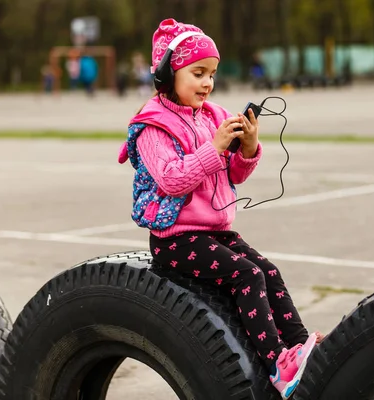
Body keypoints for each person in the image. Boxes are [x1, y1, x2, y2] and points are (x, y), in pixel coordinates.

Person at [117, 18, 322, 399]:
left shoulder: (212, 115)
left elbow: (234, 177)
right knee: (248, 276)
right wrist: (212, 148)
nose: (207, 83)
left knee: (269, 271)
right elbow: (172, 180)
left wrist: (247, 149)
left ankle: (300, 348)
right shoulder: (151, 126)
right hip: (175, 238)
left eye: (211, 74)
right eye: (197, 73)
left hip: (214, 231)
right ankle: (277, 364)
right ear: (167, 73)